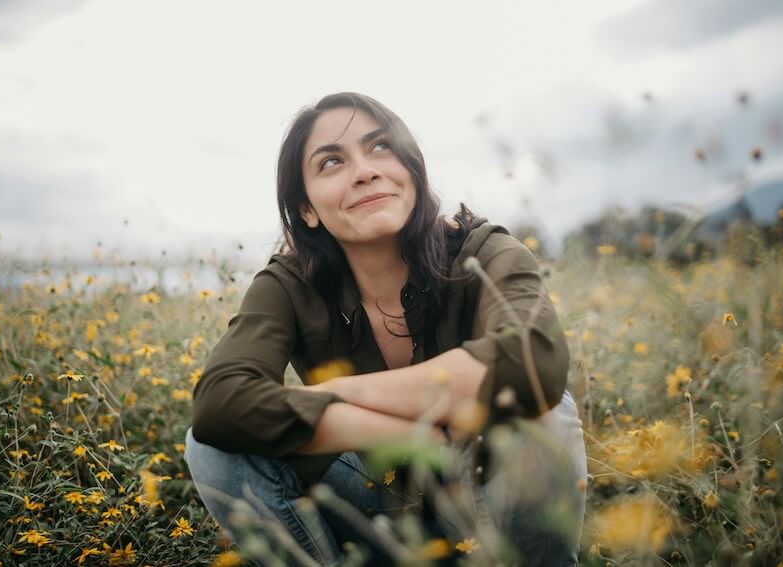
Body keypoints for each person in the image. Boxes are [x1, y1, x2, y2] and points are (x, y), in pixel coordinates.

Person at [184, 92, 587, 566]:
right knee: (211, 448)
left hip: (488, 505)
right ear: (308, 209)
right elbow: (221, 403)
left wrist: (338, 392)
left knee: (541, 412)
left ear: (411, 171)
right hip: (375, 507)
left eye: (379, 148)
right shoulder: (288, 283)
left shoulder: (484, 251)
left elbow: (533, 362)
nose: (364, 170)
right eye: (331, 162)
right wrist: (418, 436)